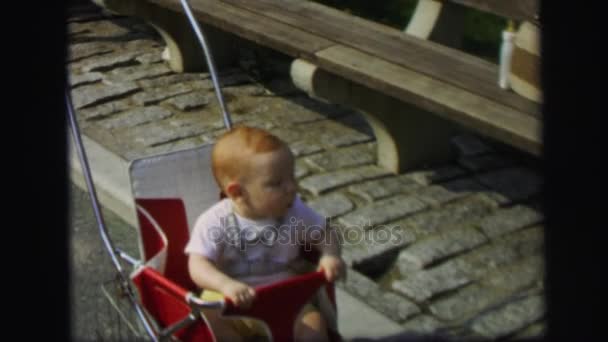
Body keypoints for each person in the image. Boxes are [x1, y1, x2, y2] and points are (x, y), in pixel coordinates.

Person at [185, 125, 345, 341]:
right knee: (209, 317)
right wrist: (225, 284)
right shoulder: (214, 221)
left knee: (314, 323)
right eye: (276, 183)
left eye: (292, 177)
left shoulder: (295, 210)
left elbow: (325, 233)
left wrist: (329, 255)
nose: (291, 188)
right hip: (231, 301)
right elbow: (198, 265)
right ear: (238, 192)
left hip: (286, 300)